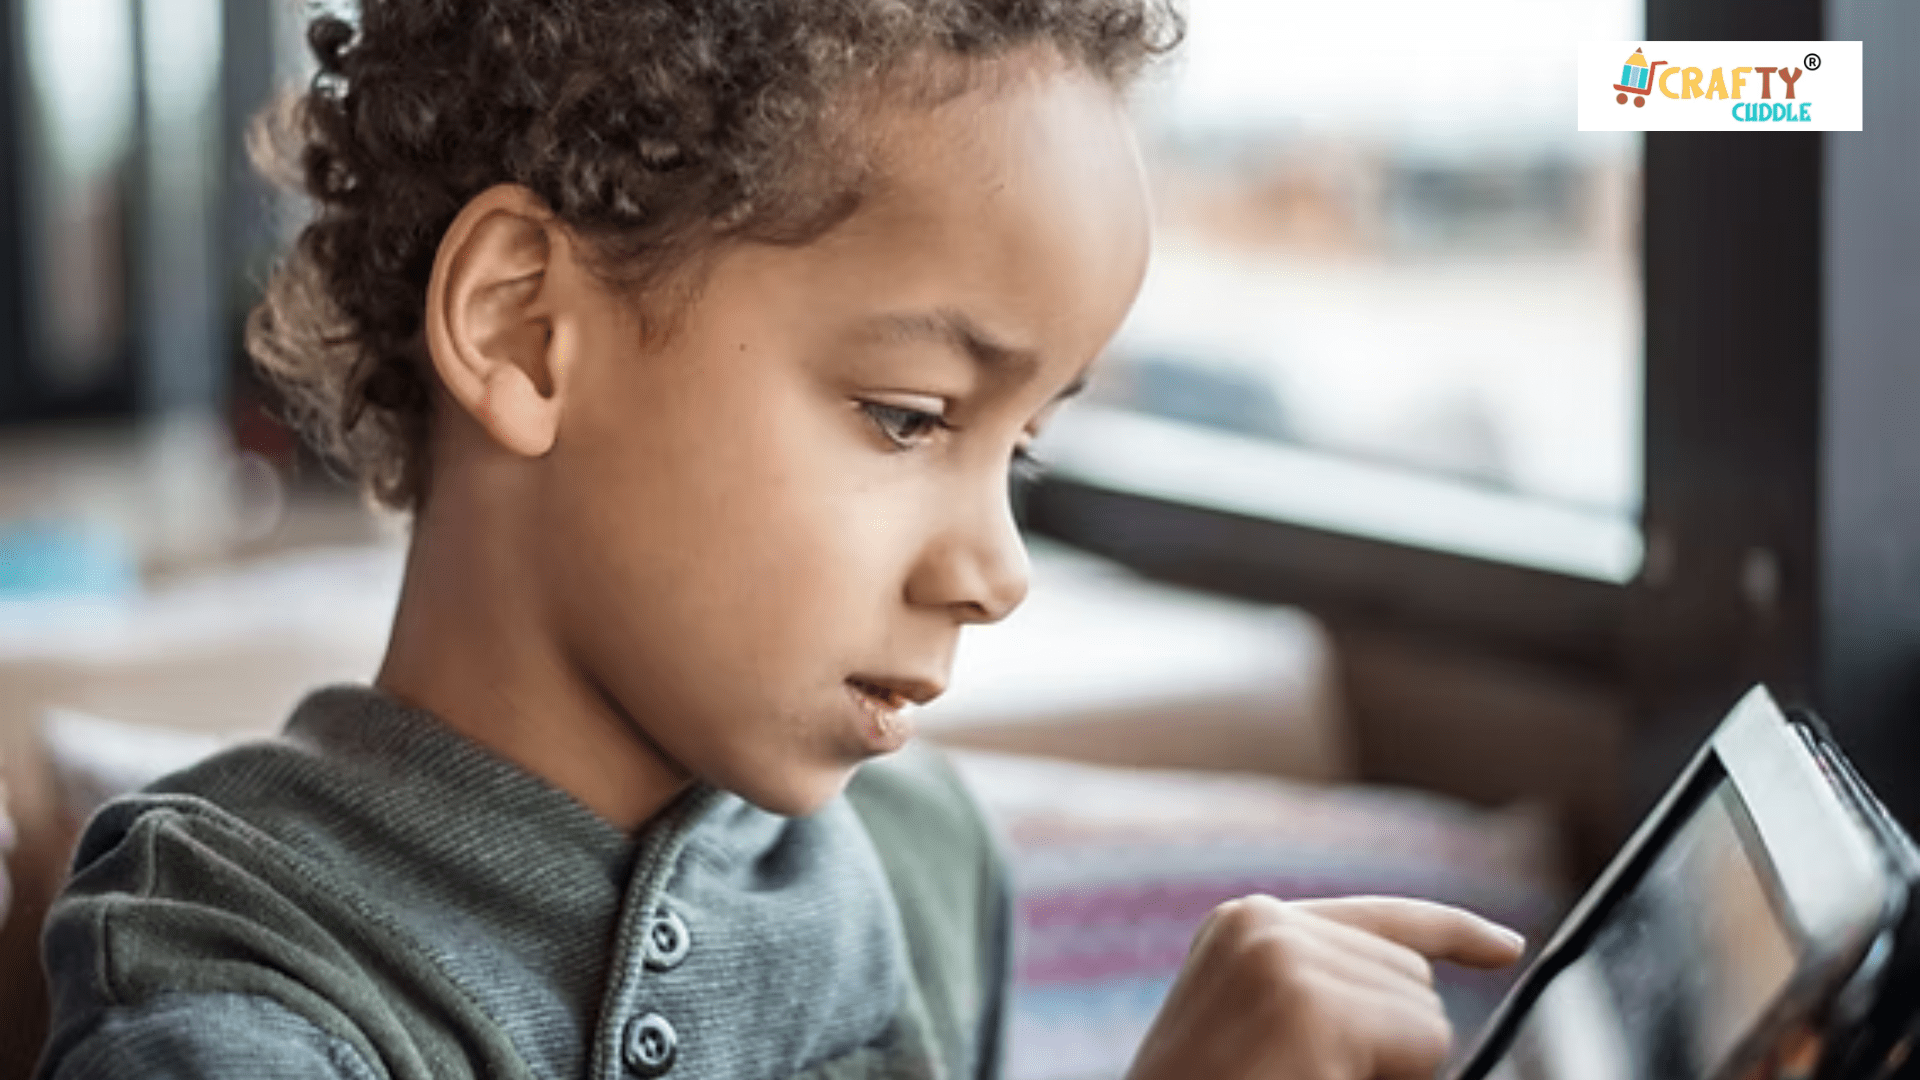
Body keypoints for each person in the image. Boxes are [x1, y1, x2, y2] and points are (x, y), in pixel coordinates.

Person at [36, 1, 1525, 1077]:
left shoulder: (927, 863)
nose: (997, 570)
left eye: (1027, 444)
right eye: (906, 414)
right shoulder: (230, 975)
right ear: (527, 332)